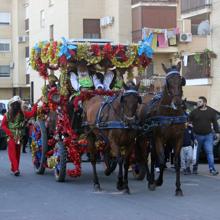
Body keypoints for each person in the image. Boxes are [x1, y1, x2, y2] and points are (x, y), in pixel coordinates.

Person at [1, 95, 41, 176]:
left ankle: (14, 168)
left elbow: (32, 113)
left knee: (17, 153)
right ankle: (16, 169)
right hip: (11, 137)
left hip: (19, 137)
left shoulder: (22, 113)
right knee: (12, 153)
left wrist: (36, 104)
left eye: (17, 104)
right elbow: (3, 125)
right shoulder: (7, 114)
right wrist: (9, 133)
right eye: (15, 103)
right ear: (12, 105)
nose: (16, 105)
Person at [189, 96, 219, 175]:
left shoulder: (211, 112)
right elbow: (188, 121)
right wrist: (190, 126)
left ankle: (212, 169)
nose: (197, 103)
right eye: (197, 101)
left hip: (208, 136)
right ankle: (195, 169)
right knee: (196, 153)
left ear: (204, 103)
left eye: (200, 102)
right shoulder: (194, 112)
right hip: (197, 136)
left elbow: (215, 123)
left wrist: (217, 133)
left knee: (210, 152)